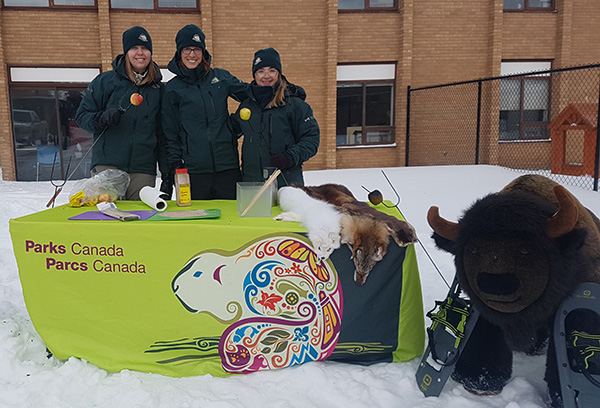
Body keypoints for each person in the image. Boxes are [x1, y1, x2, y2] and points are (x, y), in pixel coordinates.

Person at [76, 26, 167, 201]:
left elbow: (162, 134)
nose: (140, 53)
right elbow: (82, 116)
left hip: (142, 169)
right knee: (109, 220)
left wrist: (166, 171)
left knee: (140, 221)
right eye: (134, 48)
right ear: (126, 52)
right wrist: (101, 118)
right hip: (107, 166)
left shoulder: (158, 89)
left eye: (145, 48)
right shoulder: (105, 82)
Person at [161, 24, 248, 200]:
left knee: (231, 220)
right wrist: (174, 167)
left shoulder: (221, 78)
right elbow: (171, 132)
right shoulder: (172, 89)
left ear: (203, 52)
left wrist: (234, 126)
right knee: (199, 222)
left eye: (197, 49)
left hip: (228, 168)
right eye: (187, 49)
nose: (192, 55)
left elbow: (251, 96)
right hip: (194, 171)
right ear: (179, 52)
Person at [232, 48, 319, 188]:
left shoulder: (294, 104)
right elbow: (231, 131)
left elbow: (311, 139)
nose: (266, 76)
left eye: (271, 70)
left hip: (286, 183)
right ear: (254, 75)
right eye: (261, 71)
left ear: (279, 73)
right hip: (252, 183)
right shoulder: (247, 106)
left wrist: (290, 157)